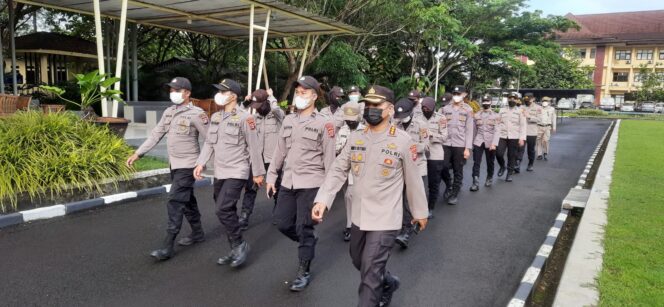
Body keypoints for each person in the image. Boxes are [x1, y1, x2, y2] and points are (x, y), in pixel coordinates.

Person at [311, 85, 428, 307]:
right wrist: (323, 199)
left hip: (385, 218)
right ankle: (389, 282)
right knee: (360, 261)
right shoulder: (356, 138)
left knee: (370, 273)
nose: (371, 109)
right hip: (359, 215)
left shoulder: (403, 141)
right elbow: (338, 170)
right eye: (369, 105)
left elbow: (413, 180)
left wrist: (419, 212)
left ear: (390, 109)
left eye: (377, 105)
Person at [265, 76, 336, 292]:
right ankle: (308, 243)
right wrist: (270, 176)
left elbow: (331, 162)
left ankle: (304, 269)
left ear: (314, 96)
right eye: (298, 92)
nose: (299, 95)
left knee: (303, 227)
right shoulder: (288, 120)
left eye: (304, 92)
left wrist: (325, 198)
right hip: (288, 181)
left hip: (312, 183)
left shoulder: (325, 124)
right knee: (281, 222)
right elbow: (279, 151)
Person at [126, 77, 209, 261]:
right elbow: (156, 134)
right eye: (171, 90)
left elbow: (211, 140)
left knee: (175, 201)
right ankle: (198, 233)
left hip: (188, 165)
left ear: (187, 93)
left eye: (176, 90)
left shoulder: (197, 113)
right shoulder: (169, 112)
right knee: (186, 200)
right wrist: (138, 153)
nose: (173, 93)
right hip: (175, 164)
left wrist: (202, 163)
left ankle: (168, 245)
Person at [193, 79, 265, 268]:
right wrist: (201, 163)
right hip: (220, 170)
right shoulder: (216, 117)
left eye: (223, 92)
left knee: (222, 209)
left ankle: (240, 244)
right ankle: (234, 248)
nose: (219, 95)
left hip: (237, 170)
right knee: (226, 210)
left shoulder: (245, 118)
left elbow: (254, 147)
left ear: (233, 95)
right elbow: (209, 142)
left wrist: (257, 173)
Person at [238, 88, 285, 230]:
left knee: (276, 187)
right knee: (250, 188)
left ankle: (279, 213)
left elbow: (279, 111)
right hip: (257, 159)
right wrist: (246, 102)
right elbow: (238, 114)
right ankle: (245, 216)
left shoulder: (276, 116)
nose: (256, 109)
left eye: (258, 106)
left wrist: (271, 97)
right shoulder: (253, 118)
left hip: (273, 158)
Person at [392, 98, 429, 248]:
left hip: (418, 166)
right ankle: (405, 228)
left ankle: (410, 227)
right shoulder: (395, 125)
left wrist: (410, 147)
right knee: (400, 198)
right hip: (400, 167)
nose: (401, 118)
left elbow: (426, 146)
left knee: (412, 198)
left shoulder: (421, 125)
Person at [335, 102, 365, 241]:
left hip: (359, 170)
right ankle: (351, 223)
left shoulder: (366, 131)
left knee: (350, 196)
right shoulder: (343, 130)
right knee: (348, 198)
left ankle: (353, 226)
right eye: (347, 119)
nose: (349, 122)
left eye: (352, 119)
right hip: (345, 170)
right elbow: (336, 149)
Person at [440, 85, 474, 205]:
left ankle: (454, 193)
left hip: (460, 144)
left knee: (457, 169)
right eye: (454, 93)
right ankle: (449, 184)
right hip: (446, 142)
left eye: (459, 94)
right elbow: (440, 124)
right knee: (443, 166)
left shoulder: (468, 110)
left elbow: (470, 130)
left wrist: (467, 148)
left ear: (464, 95)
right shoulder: (445, 109)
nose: (456, 96)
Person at [421, 96, 447, 217]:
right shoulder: (416, 117)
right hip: (420, 154)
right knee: (418, 182)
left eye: (428, 108)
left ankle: (430, 207)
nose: (425, 110)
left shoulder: (441, 118)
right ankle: (418, 207)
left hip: (435, 154)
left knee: (433, 182)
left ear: (433, 108)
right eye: (423, 107)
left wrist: (431, 135)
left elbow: (444, 137)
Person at [491, 92, 526, 182]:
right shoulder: (502, 110)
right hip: (502, 135)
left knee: (512, 155)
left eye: (514, 98)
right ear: (507, 99)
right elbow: (498, 123)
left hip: (514, 136)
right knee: (498, 153)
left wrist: (522, 138)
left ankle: (509, 173)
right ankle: (503, 166)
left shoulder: (520, 111)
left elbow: (523, 125)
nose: (512, 100)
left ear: (517, 100)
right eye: (510, 98)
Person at [470, 95, 499, 191]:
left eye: (487, 101)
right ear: (482, 102)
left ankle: (489, 177)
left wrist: (494, 143)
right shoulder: (477, 115)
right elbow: (474, 130)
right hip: (478, 141)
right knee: (476, 162)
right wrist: (471, 143)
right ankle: (475, 182)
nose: (486, 102)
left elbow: (497, 131)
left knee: (490, 161)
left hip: (490, 142)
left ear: (491, 102)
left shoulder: (496, 116)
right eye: (484, 101)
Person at [518, 93, 542, 172]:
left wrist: (529, 116)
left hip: (532, 132)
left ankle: (530, 164)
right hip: (522, 132)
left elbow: (539, 119)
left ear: (533, 99)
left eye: (528, 100)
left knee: (530, 150)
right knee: (520, 149)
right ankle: (517, 164)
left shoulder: (538, 108)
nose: (526, 102)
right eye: (525, 100)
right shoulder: (521, 107)